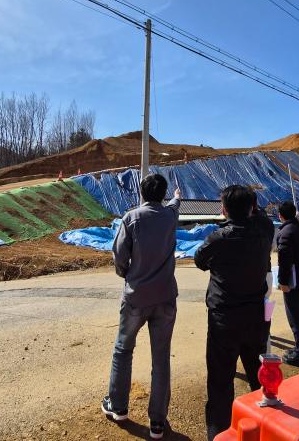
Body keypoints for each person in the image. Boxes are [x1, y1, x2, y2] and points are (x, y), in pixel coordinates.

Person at [102, 174, 181, 440]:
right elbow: (175, 204)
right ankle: (158, 422)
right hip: (166, 297)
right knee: (161, 358)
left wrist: (128, 275)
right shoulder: (171, 217)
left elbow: (119, 257)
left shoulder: (131, 218)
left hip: (136, 296)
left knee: (123, 350)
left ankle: (119, 406)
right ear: (163, 194)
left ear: (142, 193)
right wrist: (176, 198)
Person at [194, 185, 273, 440]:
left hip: (224, 319)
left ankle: (219, 433)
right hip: (255, 317)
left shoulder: (219, 238)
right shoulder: (264, 232)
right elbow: (261, 218)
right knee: (259, 377)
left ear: (224, 210)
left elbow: (199, 260)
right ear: (253, 207)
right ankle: (267, 427)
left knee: (220, 381)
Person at [276, 201, 299, 367]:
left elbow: (284, 260)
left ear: (280, 216)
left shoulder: (286, 233)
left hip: (294, 281)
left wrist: (283, 282)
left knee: (295, 317)